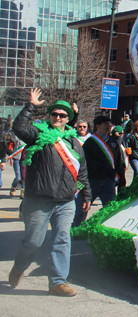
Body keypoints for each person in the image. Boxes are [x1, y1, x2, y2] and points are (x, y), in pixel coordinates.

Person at [9, 89, 91, 296]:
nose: (58, 117)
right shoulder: (38, 135)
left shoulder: (74, 143)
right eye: (54, 114)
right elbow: (19, 128)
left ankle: (57, 282)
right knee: (34, 241)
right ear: (50, 116)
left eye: (62, 115)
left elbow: (81, 174)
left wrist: (84, 194)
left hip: (65, 202)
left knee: (63, 239)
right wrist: (31, 106)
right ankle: (19, 266)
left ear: (68, 119)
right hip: (39, 200)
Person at [83, 115, 124, 208]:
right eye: (106, 124)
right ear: (98, 126)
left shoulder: (113, 141)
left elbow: (118, 160)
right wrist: (103, 168)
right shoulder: (90, 142)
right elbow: (88, 161)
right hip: (93, 180)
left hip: (109, 180)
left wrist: (121, 177)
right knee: (83, 209)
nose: (109, 126)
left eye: (109, 124)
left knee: (109, 208)